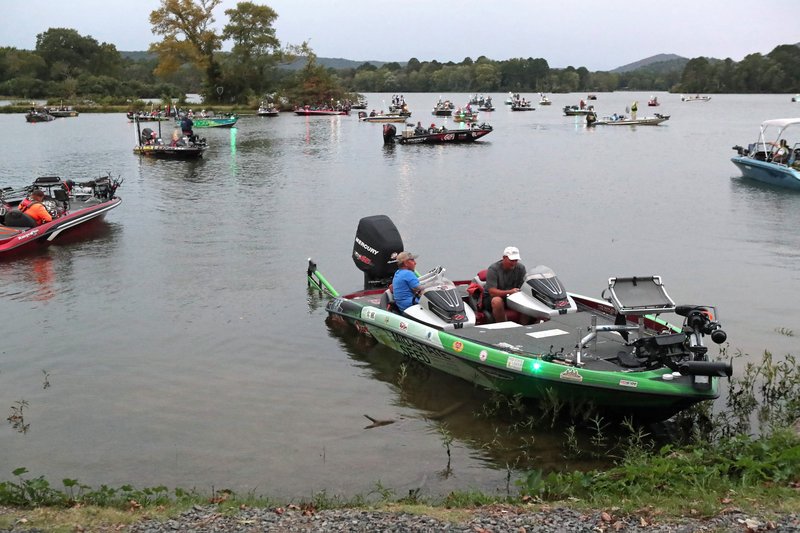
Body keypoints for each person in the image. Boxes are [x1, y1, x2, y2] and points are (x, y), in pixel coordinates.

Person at [484, 246, 528, 323]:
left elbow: (524, 285)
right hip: (492, 297)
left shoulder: (521, 268)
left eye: (516, 260)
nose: (514, 263)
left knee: (530, 299)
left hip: (512, 296)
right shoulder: (493, 269)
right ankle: (503, 325)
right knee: (497, 301)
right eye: (511, 260)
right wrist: (509, 292)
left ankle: (524, 325)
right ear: (504, 258)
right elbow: (492, 292)